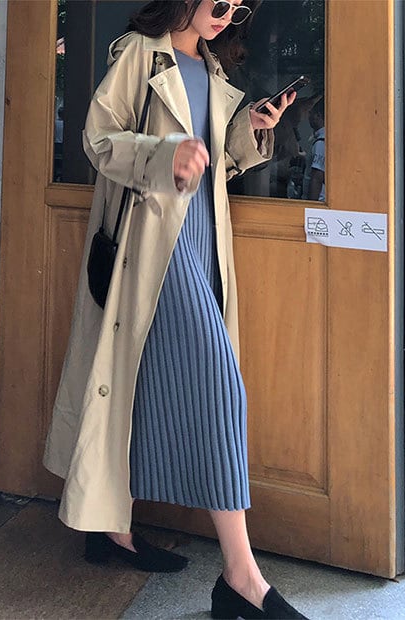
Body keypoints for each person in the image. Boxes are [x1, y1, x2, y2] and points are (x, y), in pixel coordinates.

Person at [43, 1, 306, 618]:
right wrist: (165, 156)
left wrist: (250, 130)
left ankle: (111, 530)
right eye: (220, 4)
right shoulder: (140, 53)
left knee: (149, 387)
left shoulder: (211, 68)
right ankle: (242, 578)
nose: (227, 17)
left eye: (239, 9)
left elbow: (213, 165)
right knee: (221, 390)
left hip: (201, 242)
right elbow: (98, 139)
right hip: (152, 249)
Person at [302, 96, 325, 201]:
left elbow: (317, 178)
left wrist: (311, 204)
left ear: (318, 116)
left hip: (318, 201)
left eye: (310, 113)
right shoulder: (325, 139)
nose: (308, 116)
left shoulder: (321, 142)